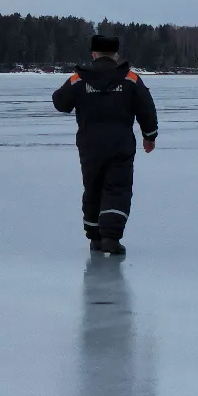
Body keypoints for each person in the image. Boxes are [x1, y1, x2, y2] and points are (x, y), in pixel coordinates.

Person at [53, 35, 159, 255]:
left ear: (93, 54)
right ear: (116, 56)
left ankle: (95, 238)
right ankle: (110, 236)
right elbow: (147, 108)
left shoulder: (78, 80)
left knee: (93, 188)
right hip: (120, 146)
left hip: (89, 147)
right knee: (117, 189)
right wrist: (150, 136)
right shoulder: (130, 79)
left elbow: (60, 102)